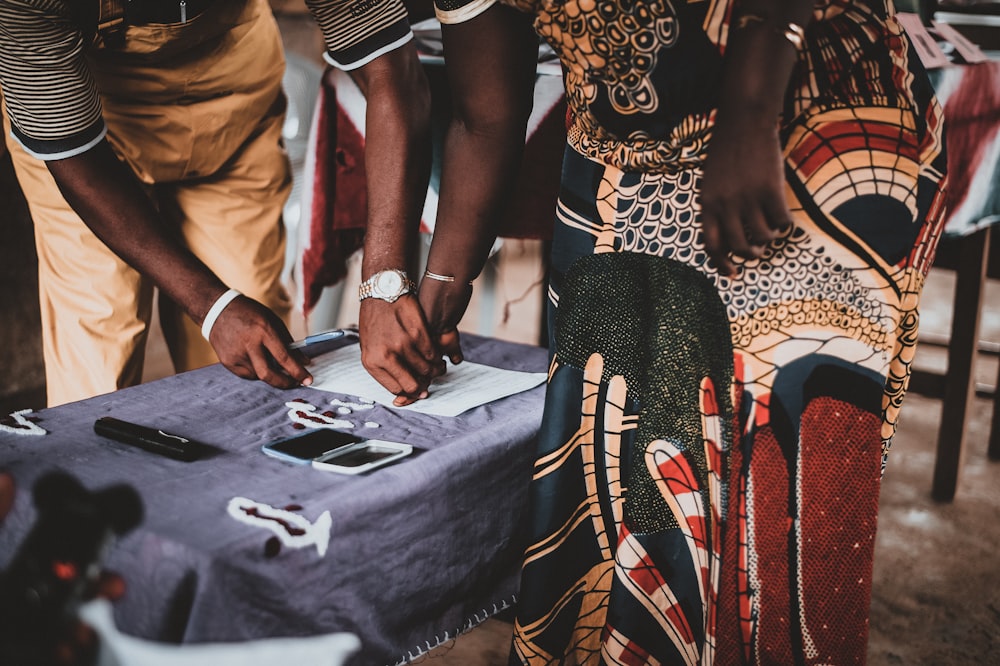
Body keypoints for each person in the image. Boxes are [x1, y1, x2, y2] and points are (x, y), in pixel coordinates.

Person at [408, 0, 950, 662]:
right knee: (608, 501)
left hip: (801, 128)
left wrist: (751, 108)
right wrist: (443, 285)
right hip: (616, 174)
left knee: (767, 522)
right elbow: (484, 107)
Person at [0, 0, 436, 407]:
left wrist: (385, 280)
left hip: (233, 107)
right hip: (89, 140)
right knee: (96, 369)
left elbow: (393, 73)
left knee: (257, 371)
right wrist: (212, 306)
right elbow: (75, 155)